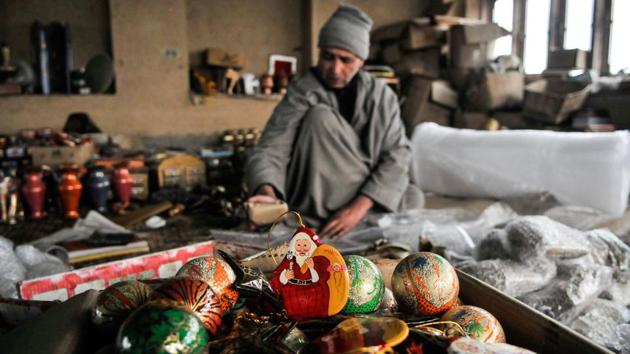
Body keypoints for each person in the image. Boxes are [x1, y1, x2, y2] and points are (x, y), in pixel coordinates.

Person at [245, 4, 423, 237]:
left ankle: (349, 222)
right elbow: (271, 148)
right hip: (316, 194)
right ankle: (326, 222)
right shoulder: (303, 91)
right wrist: (268, 194)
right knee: (320, 118)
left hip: (359, 192)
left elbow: (397, 154)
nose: (335, 69)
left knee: (412, 196)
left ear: (360, 61)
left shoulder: (380, 96)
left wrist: (357, 208)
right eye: (328, 57)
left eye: (345, 60)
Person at [269, 227, 331, 320]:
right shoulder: (289, 261)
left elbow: (324, 278)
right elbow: (276, 279)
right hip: (293, 292)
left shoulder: (318, 261)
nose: (301, 249)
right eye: (298, 245)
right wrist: (284, 277)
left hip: (313, 291)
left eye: (305, 245)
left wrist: (312, 269)